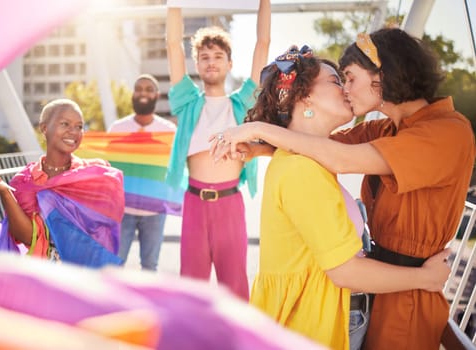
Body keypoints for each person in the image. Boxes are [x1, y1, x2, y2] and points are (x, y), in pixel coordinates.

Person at [211, 28, 475, 349]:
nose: (347, 90)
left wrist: (257, 130)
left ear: (385, 74)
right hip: (377, 289)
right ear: (305, 96)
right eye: (339, 80)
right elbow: (320, 146)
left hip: (404, 296)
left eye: (348, 77)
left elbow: (339, 155)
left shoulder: (444, 133)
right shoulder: (382, 130)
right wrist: (260, 148)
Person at [165, 1, 270, 299]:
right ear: (197, 65)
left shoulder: (243, 102)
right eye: (204, 57)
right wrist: (174, 5)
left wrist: (265, 2)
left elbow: (263, 44)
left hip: (230, 204)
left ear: (229, 64)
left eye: (218, 56)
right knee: (192, 289)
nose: (211, 62)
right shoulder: (187, 101)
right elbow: (174, 45)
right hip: (195, 204)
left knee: (234, 286)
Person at [0, 99, 125, 268]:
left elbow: (107, 230)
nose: (74, 132)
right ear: (44, 128)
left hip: (86, 276)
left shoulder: (95, 174)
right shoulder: (23, 183)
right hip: (46, 276)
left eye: (79, 126)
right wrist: (4, 192)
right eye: (65, 124)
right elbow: (27, 237)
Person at [108, 74, 176, 271]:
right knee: (114, 263)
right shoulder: (117, 128)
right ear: (133, 94)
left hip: (154, 210)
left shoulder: (169, 131)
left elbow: (175, 169)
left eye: (148, 89)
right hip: (123, 210)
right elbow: (108, 168)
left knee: (149, 265)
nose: (143, 93)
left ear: (157, 94)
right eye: (139, 89)